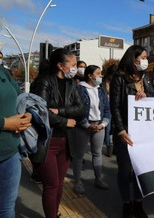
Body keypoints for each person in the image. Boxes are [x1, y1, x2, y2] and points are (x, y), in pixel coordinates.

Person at [33, 48, 84, 218]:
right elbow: (41, 112)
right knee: (52, 185)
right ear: (61, 66)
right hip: (48, 142)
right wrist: (65, 121)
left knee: (60, 184)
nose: (76, 68)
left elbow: (80, 108)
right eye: (74, 64)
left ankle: (54, 213)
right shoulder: (44, 82)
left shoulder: (72, 83)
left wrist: (60, 111)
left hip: (66, 141)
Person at [110, 45, 154, 218]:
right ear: (132, 58)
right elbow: (115, 106)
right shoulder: (119, 78)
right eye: (142, 57)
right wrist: (121, 130)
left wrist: (147, 95)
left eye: (146, 57)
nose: (145, 61)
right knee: (124, 171)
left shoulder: (147, 78)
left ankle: (138, 202)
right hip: (126, 132)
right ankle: (126, 203)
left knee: (140, 170)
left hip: (144, 133)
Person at [0, 52, 32, 218]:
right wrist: (5, 123)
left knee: (6, 208)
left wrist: (27, 113)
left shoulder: (3, 70)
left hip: (10, 153)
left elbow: (19, 96)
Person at [72, 65, 111, 195]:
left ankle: (98, 179)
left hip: (99, 126)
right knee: (79, 155)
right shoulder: (79, 89)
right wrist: (86, 124)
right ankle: (77, 181)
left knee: (97, 153)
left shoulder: (101, 90)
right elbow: (77, 109)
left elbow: (107, 109)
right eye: (98, 74)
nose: (101, 76)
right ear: (90, 75)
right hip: (83, 126)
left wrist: (103, 124)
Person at [103, 62, 119, 157]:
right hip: (107, 107)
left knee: (114, 128)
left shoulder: (117, 81)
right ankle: (109, 147)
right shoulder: (104, 82)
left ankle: (114, 147)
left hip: (115, 106)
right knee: (108, 128)